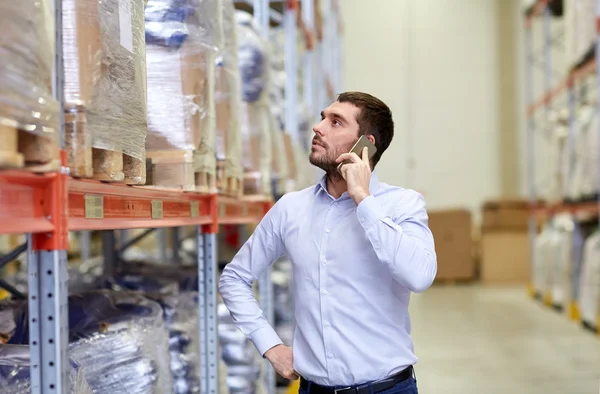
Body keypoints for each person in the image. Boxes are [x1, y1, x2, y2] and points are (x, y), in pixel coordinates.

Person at [219, 91, 437, 394]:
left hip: (387, 389)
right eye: (322, 117)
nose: (318, 127)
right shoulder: (291, 208)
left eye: (335, 122)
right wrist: (270, 345)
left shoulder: (402, 204)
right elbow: (234, 278)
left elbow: (420, 276)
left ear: (366, 145)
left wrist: (363, 198)